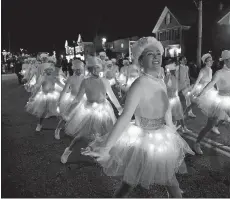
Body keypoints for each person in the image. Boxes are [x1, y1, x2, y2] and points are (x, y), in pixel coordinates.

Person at [81, 37, 194, 198]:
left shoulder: (160, 81)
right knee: (130, 182)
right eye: (150, 54)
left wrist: (171, 128)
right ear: (140, 61)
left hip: (161, 137)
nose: (156, 56)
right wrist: (106, 148)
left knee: (170, 180)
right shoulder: (139, 84)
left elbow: (166, 108)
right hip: (143, 140)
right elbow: (125, 117)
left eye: (158, 53)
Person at [60, 56, 123, 164]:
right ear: (89, 69)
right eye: (93, 68)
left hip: (104, 110)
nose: (96, 70)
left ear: (100, 68)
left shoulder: (104, 81)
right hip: (89, 111)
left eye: (98, 67)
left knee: (109, 133)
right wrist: (68, 111)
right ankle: (68, 150)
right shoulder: (86, 82)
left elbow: (112, 96)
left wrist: (119, 108)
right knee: (82, 135)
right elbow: (77, 99)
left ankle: (114, 155)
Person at [185, 53, 221, 134]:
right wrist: (192, 91)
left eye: (212, 60)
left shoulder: (211, 70)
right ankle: (183, 115)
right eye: (209, 61)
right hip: (202, 89)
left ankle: (213, 126)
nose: (211, 62)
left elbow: (212, 81)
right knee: (194, 104)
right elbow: (197, 81)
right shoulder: (203, 70)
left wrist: (217, 88)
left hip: (210, 89)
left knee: (213, 107)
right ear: (205, 62)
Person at [25, 63, 64, 132]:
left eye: (51, 70)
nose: (50, 71)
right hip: (45, 96)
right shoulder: (42, 78)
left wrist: (66, 88)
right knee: (43, 111)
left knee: (58, 110)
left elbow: (60, 84)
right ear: (45, 70)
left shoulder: (54, 77)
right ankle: (39, 124)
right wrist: (33, 96)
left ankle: (60, 126)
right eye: (48, 70)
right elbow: (37, 88)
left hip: (53, 95)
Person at [54, 59, 85, 140]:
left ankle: (77, 130)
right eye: (77, 69)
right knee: (66, 116)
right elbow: (64, 90)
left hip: (83, 100)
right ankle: (57, 129)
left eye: (80, 69)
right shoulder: (71, 78)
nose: (79, 71)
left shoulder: (84, 78)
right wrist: (59, 101)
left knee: (80, 116)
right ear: (74, 69)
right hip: (72, 99)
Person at [165, 63, 192, 133]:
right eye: (174, 70)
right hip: (171, 100)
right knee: (173, 115)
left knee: (180, 114)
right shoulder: (168, 77)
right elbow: (167, 88)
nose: (176, 71)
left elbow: (176, 87)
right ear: (171, 71)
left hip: (175, 98)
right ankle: (172, 130)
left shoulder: (174, 77)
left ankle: (183, 128)